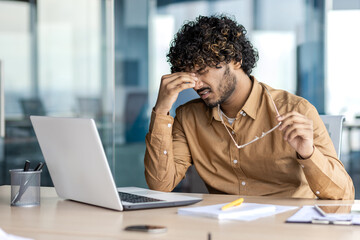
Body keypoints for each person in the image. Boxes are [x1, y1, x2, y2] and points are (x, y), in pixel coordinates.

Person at [144, 15, 354, 200]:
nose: (196, 84)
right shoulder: (188, 117)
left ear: (236, 60)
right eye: (190, 75)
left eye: (202, 71)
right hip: (224, 227)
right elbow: (161, 185)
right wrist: (162, 109)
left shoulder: (296, 109)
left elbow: (343, 194)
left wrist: (308, 153)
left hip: (290, 227)